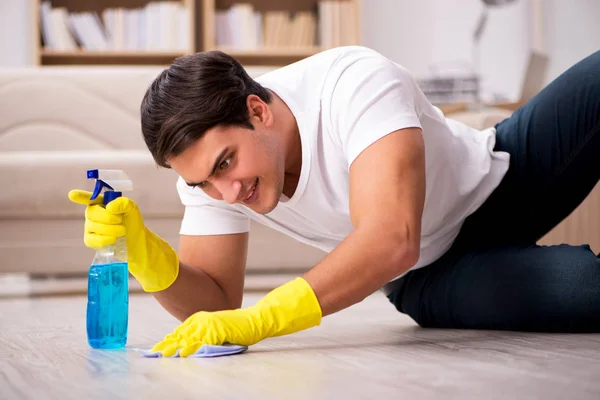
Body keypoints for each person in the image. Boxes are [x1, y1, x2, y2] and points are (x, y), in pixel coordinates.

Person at [69, 45, 600, 357]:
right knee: (583, 288)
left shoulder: (353, 83)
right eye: (202, 184)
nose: (226, 194)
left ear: (258, 110)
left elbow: (390, 233)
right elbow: (214, 309)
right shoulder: (212, 178)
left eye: (226, 164)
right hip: (432, 272)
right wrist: (144, 252)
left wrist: (265, 318)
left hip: (504, 172)